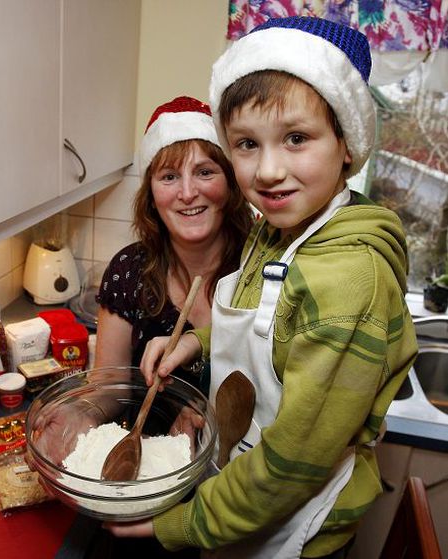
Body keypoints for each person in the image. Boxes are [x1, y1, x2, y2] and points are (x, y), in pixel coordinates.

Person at [108, 16, 418, 559]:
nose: (269, 171)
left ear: (347, 144)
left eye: (296, 138)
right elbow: (269, 337)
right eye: (247, 144)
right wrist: (193, 344)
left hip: (296, 528)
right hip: (245, 498)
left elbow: (293, 462)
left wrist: (181, 525)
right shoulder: (277, 235)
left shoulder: (347, 284)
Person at [95, 95, 254, 395]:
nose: (188, 193)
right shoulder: (127, 274)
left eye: (205, 172)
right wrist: (81, 413)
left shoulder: (259, 267)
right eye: (169, 176)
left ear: (231, 183)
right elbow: (107, 393)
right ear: (151, 196)